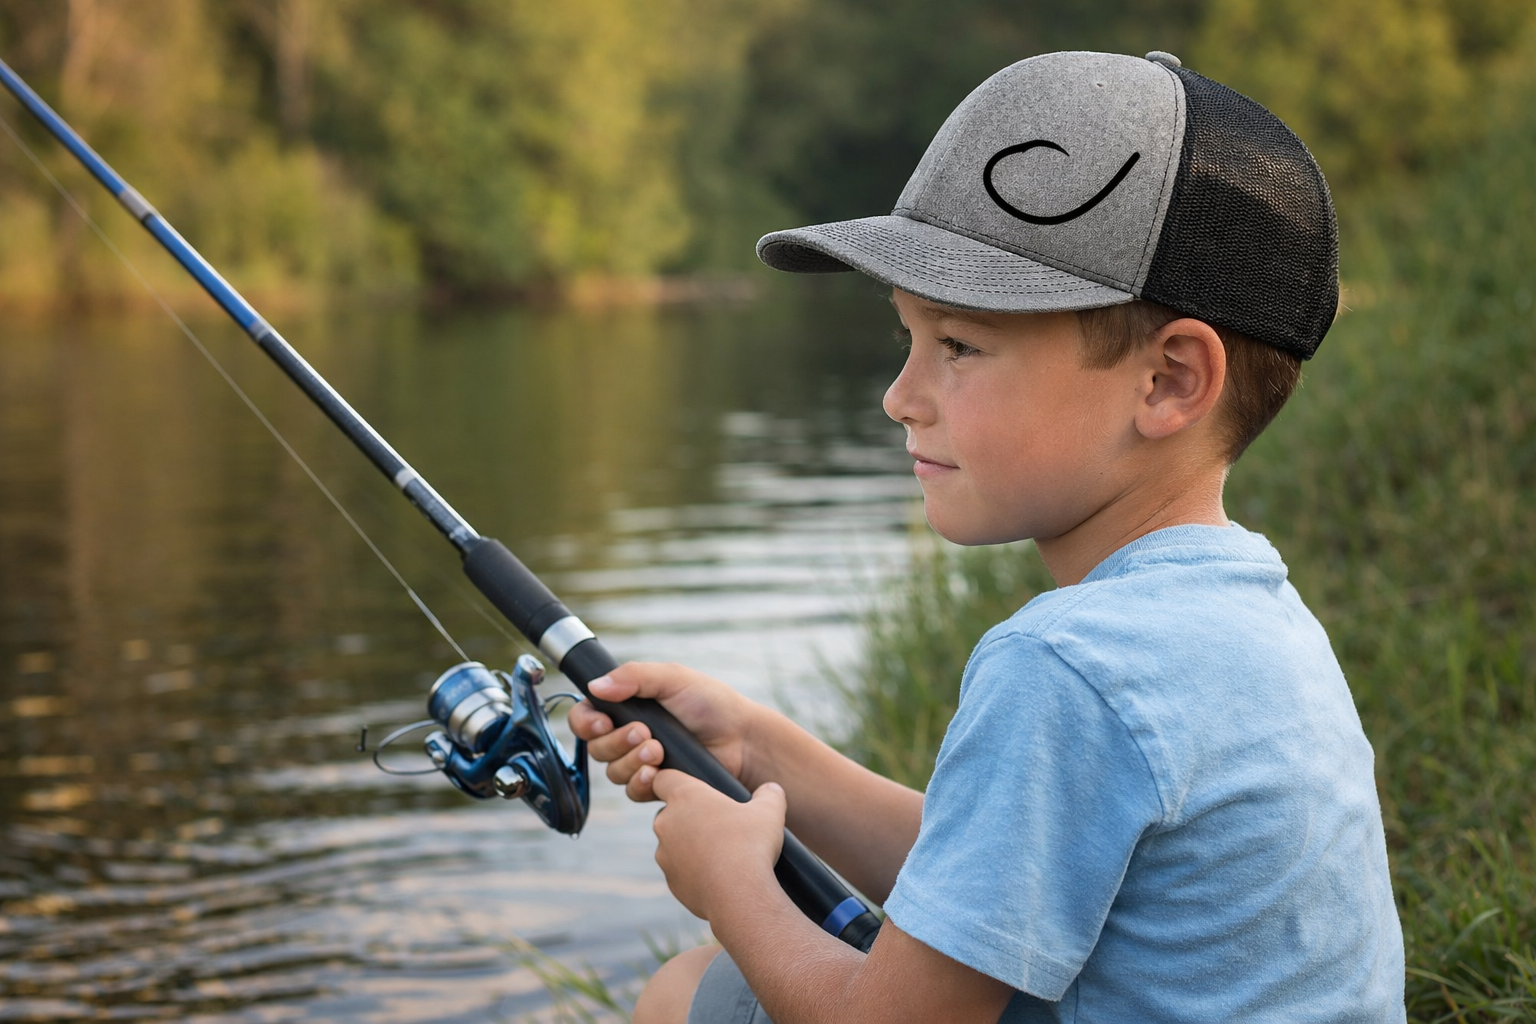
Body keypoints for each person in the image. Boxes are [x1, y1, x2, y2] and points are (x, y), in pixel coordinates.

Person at [568, 49, 1406, 1023]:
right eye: (907, 339)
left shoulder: (1064, 665)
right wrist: (756, 746)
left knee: (691, 990)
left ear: (1171, 381)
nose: (898, 397)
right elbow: (1003, 873)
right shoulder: (1251, 616)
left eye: (958, 345)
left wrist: (732, 885)